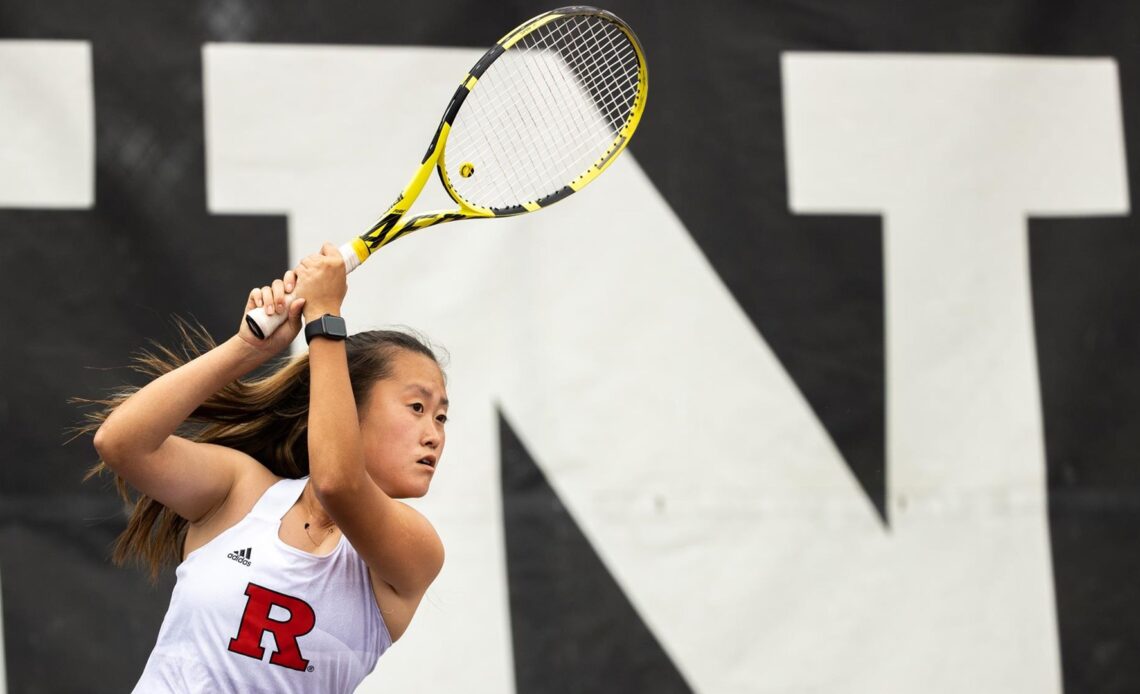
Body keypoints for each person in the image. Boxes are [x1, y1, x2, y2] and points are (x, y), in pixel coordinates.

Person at [86, 242, 448, 692]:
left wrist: (323, 317)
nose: (434, 434)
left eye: (441, 416)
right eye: (417, 406)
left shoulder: (416, 550)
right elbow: (120, 442)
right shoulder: (242, 493)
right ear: (345, 403)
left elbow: (338, 482)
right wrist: (245, 349)